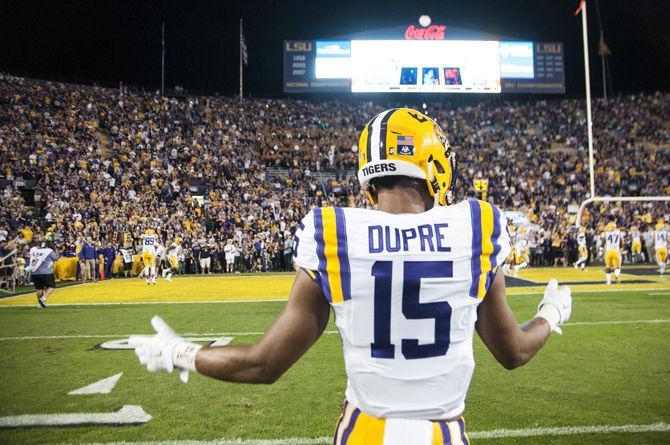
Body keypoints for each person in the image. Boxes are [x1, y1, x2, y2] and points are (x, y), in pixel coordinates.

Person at [128, 108, 572, 443]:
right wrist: (551, 313)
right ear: (435, 165)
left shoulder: (333, 231)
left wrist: (182, 353)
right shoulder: (479, 225)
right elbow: (514, 352)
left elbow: (264, 364)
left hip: (363, 432)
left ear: (369, 175)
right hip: (443, 436)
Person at [26, 238, 59, 308]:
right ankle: (43, 298)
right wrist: (56, 249)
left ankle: (39, 304)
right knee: (51, 286)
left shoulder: (33, 249)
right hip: (46, 272)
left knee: (39, 289)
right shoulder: (49, 251)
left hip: (34, 272)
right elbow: (56, 258)